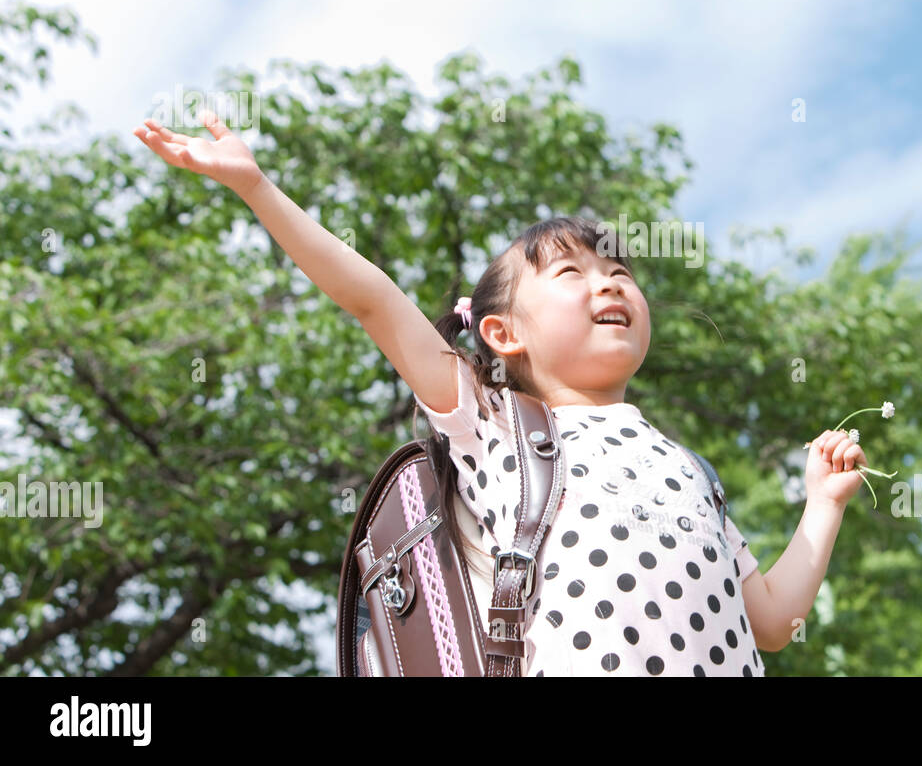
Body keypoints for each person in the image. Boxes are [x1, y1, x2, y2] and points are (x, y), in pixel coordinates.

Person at [131, 110, 871, 676]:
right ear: (502, 333)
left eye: (618, 272)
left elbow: (770, 622)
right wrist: (256, 187)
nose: (608, 281)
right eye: (569, 274)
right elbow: (375, 302)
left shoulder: (691, 471)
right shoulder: (492, 426)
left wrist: (823, 505)